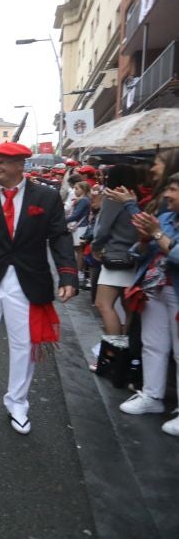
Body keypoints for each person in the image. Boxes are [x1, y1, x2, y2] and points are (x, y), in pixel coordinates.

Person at [0, 142, 77, 435]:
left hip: (28, 278)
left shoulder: (46, 198)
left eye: (2, 162)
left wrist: (68, 275)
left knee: (24, 345)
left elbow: (59, 237)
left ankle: (17, 402)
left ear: (22, 165)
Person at [118, 174, 179, 436]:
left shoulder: (160, 224)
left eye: (174, 190)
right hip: (155, 289)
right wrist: (144, 240)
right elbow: (139, 253)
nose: (168, 195)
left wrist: (155, 233)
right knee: (153, 345)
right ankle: (152, 398)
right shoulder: (165, 219)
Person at [92, 165, 140, 350]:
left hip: (115, 255)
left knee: (103, 304)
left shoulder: (114, 196)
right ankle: (125, 354)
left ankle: (113, 353)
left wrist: (96, 246)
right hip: (135, 256)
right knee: (128, 309)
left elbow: (103, 228)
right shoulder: (135, 197)